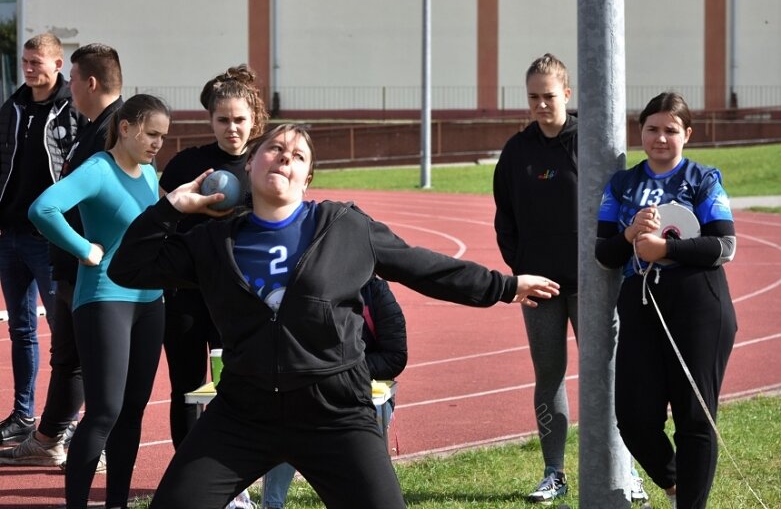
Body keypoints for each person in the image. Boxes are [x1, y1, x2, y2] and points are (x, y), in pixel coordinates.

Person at [107, 123, 560, 509]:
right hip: (244, 412)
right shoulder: (213, 242)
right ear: (250, 164)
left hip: (335, 412)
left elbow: (424, 267)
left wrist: (504, 286)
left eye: (297, 155)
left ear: (307, 177)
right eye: (274, 149)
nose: (284, 159)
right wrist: (172, 208)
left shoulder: (344, 227)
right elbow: (128, 267)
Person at [493, 53, 647, 504]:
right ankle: (554, 472)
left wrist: (611, 260)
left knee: (608, 374)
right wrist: (520, 268)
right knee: (549, 375)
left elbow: (618, 208)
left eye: (549, 95)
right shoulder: (517, 150)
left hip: (594, 281)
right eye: (533, 97)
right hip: (540, 285)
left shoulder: (592, 144)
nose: (541, 105)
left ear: (567, 93)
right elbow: (505, 219)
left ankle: (626, 466)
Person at [595, 92, 737, 509]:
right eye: (652, 129)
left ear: (686, 134)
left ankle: (690, 505)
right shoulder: (622, 184)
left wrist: (666, 251)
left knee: (694, 418)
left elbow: (724, 245)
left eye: (670, 130)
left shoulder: (704, 179)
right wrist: (629, 234)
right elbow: (604, 254)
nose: (660, 138)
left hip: (699, 305)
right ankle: (677, 487)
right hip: (639, 304)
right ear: (640, 132)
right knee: (635, 419)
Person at [28, 94, 170, 509]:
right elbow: (43, 208)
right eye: (151, 133)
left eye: (163, 136)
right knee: (105, 411)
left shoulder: (148, 171)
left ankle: (117, 504)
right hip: (105, 298)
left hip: (151, 301)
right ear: (125, 128)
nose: (157, 143)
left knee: (131, 412)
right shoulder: (97, 169)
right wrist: (83, 248)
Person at [0, 42, 123, 468]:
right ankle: (45, 432)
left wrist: (83, 248)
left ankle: (91, 439)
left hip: (88, 261)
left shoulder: (112, 127)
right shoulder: (18, 108)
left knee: (86, 352)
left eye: (70, 76)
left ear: (87, 81)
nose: (67, 85)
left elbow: (52, 205)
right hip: (52, 251)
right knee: (62, 349)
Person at [159, 64, 266, 449]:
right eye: (223, 120)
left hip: (238, 296)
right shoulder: (186, 165)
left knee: (236, 383)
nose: (232, 128)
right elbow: (160, 224)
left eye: (239, 120)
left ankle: (232, 469)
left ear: (253, 120)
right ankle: (185, 471)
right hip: (186, 295)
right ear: (211, 120)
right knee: (185, 388)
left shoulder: (265, 165)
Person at [0, 32, 85, 445]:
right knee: (20, 330)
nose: (29, 68)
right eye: (25, 61)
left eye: (37, 62)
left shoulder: (73, 110)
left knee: (64, 333)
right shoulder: (12, 106)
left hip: (51, 238)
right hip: (9, 235)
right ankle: (23, 414)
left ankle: (63, 422)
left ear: (57, 64)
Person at [260, 275, 407, 509]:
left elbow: (396, 356)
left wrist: (345, 372)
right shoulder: (305, 289)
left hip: (363, 396)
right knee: (286, 416)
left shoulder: (375, 292)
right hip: (311, 392)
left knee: (371, 419)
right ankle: (272, 504)